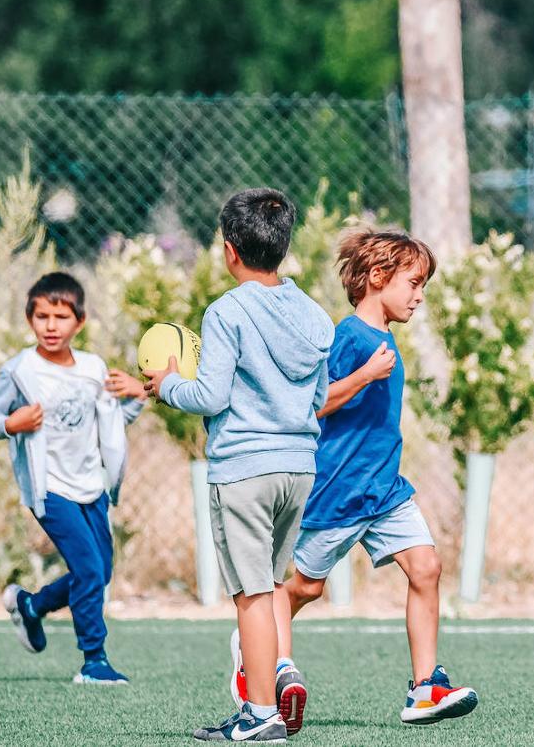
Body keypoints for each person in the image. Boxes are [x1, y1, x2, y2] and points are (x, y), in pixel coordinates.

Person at [262, 224, 476, 726]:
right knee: (304, 588)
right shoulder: (348, 337)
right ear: (378, 277)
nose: (419, 297)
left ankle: (424, 689)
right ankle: (262, 649)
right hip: (339, 491)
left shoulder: (383, 338)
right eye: (414, 284)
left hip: (385, 492)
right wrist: (363, 376)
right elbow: (312, 405)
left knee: (426, 568)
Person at [145, 188, 333, 743]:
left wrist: (168, 384)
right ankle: (272, 688)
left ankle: (260, 712)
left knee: (250, 596)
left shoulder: (225, 312)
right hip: (299, 469)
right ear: (284, 245)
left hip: (244, 469)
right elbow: (319, 397)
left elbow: (210, 396)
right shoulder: (314, 315)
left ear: (229, 250)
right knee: (270, 587)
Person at [0, 272, 145, 684]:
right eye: (42, 316)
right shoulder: (20, 371)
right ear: (29, 319)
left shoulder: (93, 368)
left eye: (61, 316)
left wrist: (140, 395)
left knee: (100, 572)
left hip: (92, 487)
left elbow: (110, 423)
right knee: (88, 569)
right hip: (49, 489)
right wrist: (10, 424)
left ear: (80, 321)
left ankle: (31, 606)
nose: (51, 326)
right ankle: (94, 661)